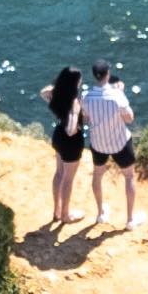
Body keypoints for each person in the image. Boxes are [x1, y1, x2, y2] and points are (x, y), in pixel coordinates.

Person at [82, 62, 137, 226]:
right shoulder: (117, 96)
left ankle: (100, 214)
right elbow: (130, 118)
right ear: (108, 74)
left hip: (98, 144)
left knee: (98, 175)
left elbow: (85, 117)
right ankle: (130, 220)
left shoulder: (86, 97)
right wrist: (120, 92)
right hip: (120, 143)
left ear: (94, 75)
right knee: (129, 176)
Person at [44, 64, 87, 224]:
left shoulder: (58, 94)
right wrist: (76, 112)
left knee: (59, 173)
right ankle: (66, 215)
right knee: (68, 179)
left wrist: (57, 87)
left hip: (58, 136)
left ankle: (56, 211)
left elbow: (44, 93)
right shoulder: (73, 101)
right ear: (75, 82)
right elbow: (71, 130)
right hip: (71, 143)